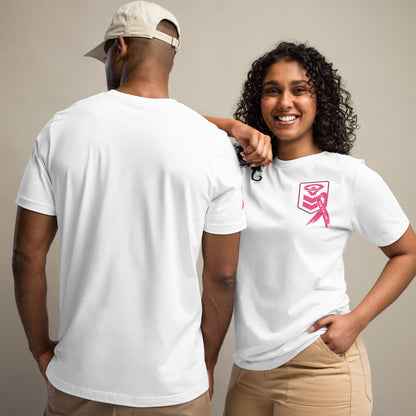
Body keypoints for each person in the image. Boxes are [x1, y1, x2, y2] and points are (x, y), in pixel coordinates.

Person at [12, 2, 246, 415]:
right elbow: (223, 277)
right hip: (174, 385)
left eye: (105, 54)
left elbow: (26, 256)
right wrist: (205, 364)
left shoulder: (62, 129)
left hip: (79, 378)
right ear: (171, 60)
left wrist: (40, 350)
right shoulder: (212, 145)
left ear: (118, 48)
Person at [207, 42, 416, 415]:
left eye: (299, 90)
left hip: (319, 368)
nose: (285, 102)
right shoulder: (233, 166)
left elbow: (408, 252)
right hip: (248, 369)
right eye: (273, 91)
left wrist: (356, 321)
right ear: (259, 100)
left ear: (320, 100)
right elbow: (168, 125)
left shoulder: (346, 176)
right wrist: (233, 127)